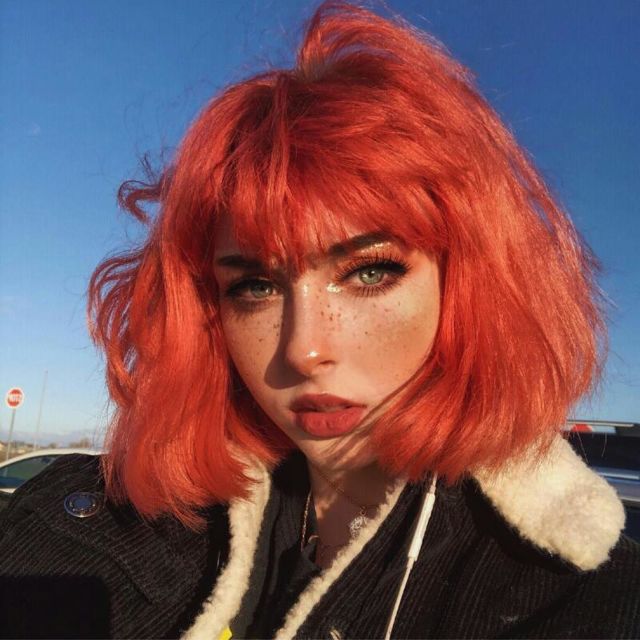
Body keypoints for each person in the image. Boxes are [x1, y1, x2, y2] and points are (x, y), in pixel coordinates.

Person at [1, 2, 638, 638]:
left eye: (370, 272)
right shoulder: (94, 524)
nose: (304, 350)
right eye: (255, 286)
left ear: (468, 286)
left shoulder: (576, 598)